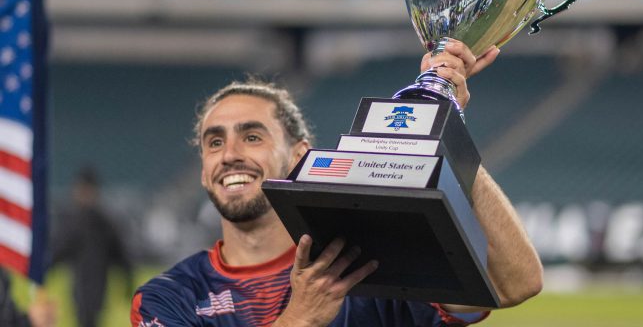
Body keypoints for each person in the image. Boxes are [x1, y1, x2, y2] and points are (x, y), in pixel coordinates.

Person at [131, 40, 543, 326]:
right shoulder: (168, 297)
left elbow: (516, 283)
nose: (230, 154)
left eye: (252, 136)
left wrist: (445, 127)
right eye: (214, 142)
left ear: (298, 155)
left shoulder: (368, 263)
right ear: (203, 169)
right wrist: (300, 318)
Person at [51, 167, 132, 327]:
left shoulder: (102, 222)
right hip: (80, 283)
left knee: (90, 319)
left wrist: (128, 279)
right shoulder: (74, 220)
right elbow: (59, 249)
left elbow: (120, 254)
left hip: (97, 284)